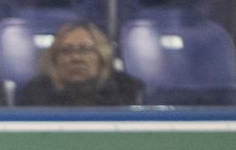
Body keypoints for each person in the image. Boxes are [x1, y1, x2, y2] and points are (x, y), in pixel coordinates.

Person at [15, 21, 143, 107]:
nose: (76, 58)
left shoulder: (127, 91)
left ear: (102, 56)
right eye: (66, 51)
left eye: (85, 50)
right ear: (55, 59)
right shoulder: (35, 95)